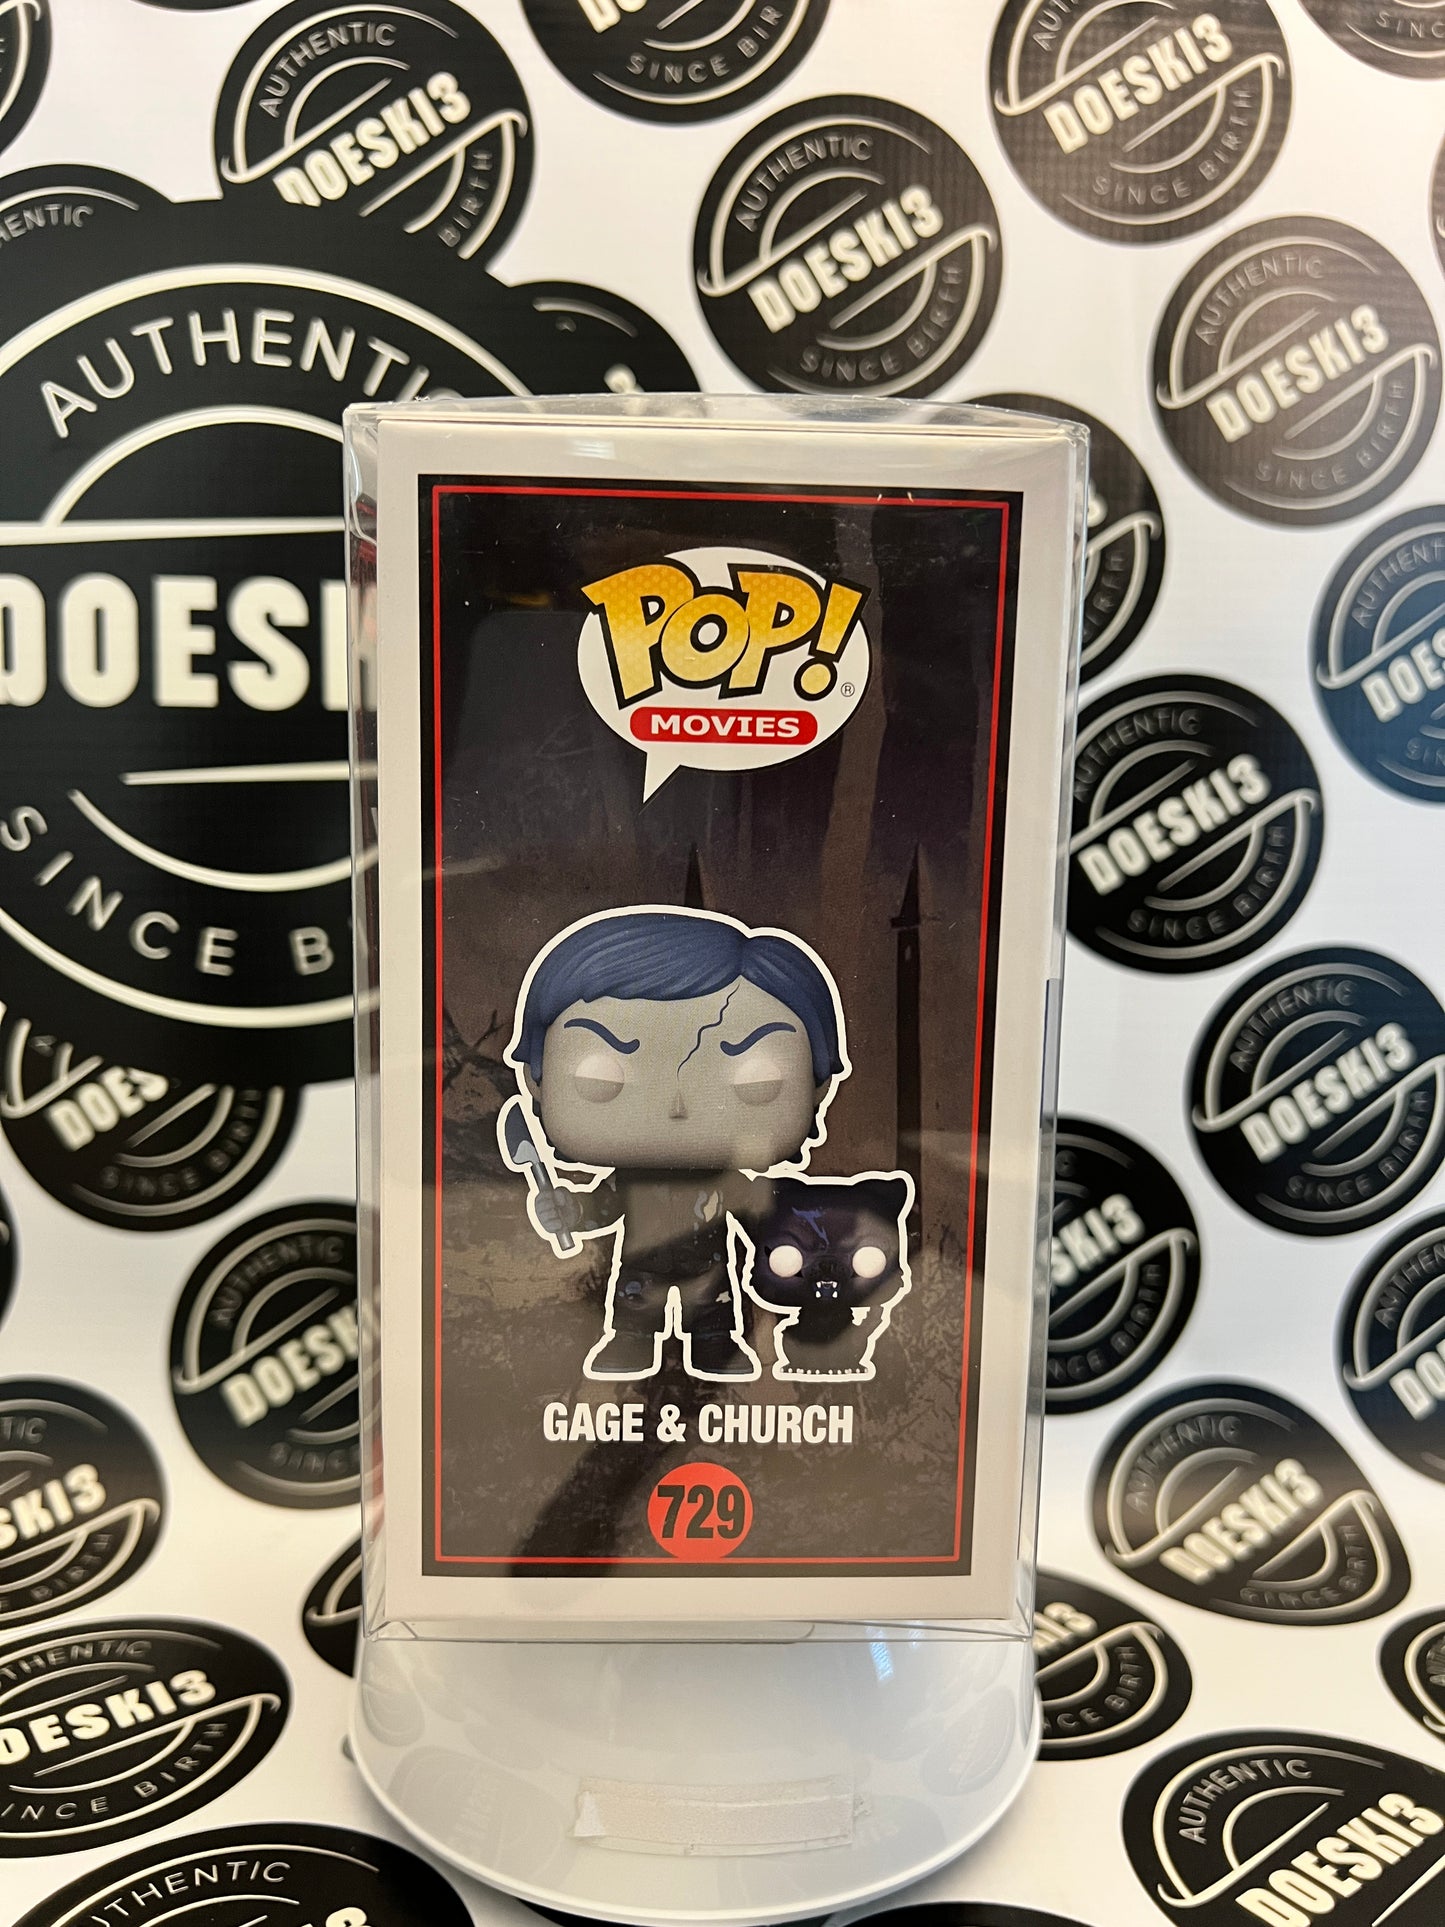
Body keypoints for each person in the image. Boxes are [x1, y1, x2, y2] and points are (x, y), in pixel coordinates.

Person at [502, 906, 849, 1381]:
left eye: (757, 1082)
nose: (677, 1107)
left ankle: (715, 1344)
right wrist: (571, 1210)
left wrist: (797, 1237)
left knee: (713, 1315)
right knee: (634, 1314)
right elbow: (604, 1205)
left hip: (709, 1268)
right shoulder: (632, 1176)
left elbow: (761, 1213)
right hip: (640, 1267)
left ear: (817, 1087)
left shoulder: (726, 1176)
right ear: (537, 1082)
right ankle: (631, 1342)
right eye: (600, 1079)